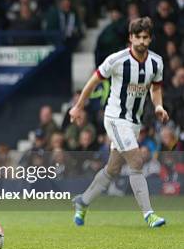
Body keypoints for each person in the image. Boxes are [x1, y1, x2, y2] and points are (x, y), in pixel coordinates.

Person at [70, 17, 168, 228]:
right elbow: (93, 81)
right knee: (136, 161)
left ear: (150, 39)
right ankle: (149, 214)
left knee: (113, 169)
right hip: (114, 118)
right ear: (130, 38)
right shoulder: (116, 60)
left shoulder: (156, 62)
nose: (141, 41)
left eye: (145, 37)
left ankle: (83, 201)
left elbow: (156, 88)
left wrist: (158, 106)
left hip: (134, 122)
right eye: (138, 37)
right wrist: (79, 106)